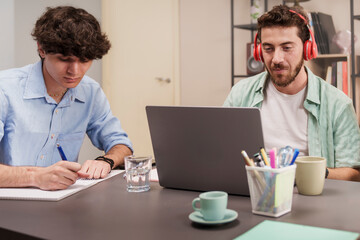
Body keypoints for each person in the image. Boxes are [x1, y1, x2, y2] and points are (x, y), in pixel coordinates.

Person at [0, 6, 133, 190]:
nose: (75, 72)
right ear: (42, 49)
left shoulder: (90, 92)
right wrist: (36, 177)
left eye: (85, 60)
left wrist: (106, 161)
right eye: (64, 59)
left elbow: (121, 144)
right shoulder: (4, 89)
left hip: (62, 204)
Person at [224, 5, 360, 181]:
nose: (276, 59)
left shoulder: (338, 105)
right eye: (268, 48)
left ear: (307, 48)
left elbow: (354, 174)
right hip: (255, 195)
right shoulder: (240, 94)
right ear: (259, 51)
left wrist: (307, 173)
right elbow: (223, 153)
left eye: (287, 47)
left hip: (312, 200)